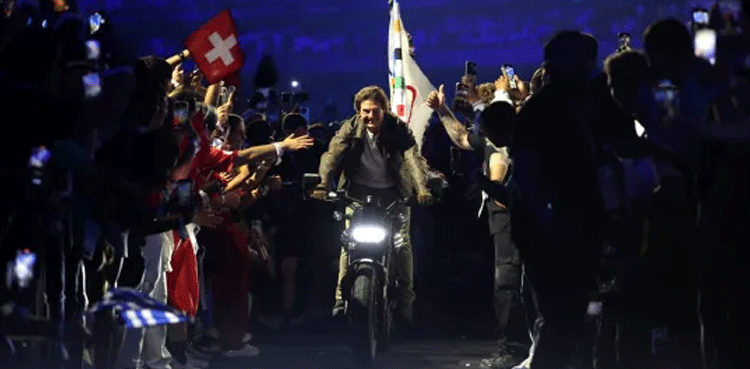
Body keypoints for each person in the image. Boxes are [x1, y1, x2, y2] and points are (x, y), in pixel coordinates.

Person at [426, 73, 530, 369]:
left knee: (511, 281)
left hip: (516, 213)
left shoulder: (522, 128)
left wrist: (505, 96)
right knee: (508, 281)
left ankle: (516, 348)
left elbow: (501, 156)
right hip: (503, 216)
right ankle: (519, 347)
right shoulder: (490, 134)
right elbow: (461, 137)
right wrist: (442, 110)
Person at [311, 85, 433, 326]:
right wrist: (323, 184)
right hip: (356, 194)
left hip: (393, 195)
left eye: (375, 111)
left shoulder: (397, 129)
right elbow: (332, 155)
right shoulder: (349, 128)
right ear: (358, 111)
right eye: (365, 111)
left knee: (402, 244)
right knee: (349, 243)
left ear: (384, 110)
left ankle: (407, 303)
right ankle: (340, 302)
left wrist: (422, 189)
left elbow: (412, 158)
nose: (370, 116)